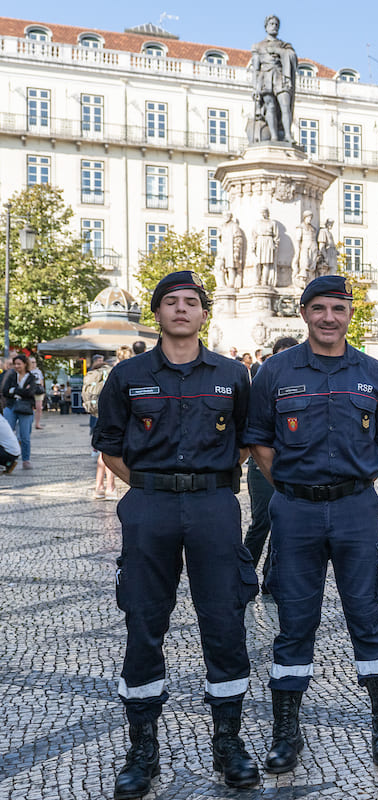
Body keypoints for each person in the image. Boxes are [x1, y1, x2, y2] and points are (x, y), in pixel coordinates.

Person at [92, 271, 257, 797]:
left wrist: (207, 483)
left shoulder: (233, 374)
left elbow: (248, 439)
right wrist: (147, 486)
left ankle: (228, 743)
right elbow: (109, 443)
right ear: (158, 312)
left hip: (213, 505)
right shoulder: (128, 374)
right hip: (149, 506)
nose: (181, 310)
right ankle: (142, 750)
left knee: (225, 621)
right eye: (171, 302)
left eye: (191, 302)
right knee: (143, 621)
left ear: (204, 314)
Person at [245, 275, 378, 773]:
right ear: (305, 312)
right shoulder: (275, 371)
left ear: (349, 314)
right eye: (319, 308)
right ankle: (286, 735)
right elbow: (260, 442)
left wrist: (358, 478)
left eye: (338, 308)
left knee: (367, 617)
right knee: (294, 622)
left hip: (356, 509)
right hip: (295, 511)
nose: (329, 317)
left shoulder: (373, 372)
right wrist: (294, 486)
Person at [243, 336, 300, 596]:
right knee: (262, 522)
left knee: (284, 525)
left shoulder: (303, 385)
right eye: (280, 355)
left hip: (292, 466)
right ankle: (243, 575)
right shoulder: (264, 384)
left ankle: (272, 579)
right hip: (261, 466)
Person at [248, 14, 298, 144]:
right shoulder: (258, 46)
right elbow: (256, 69)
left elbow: (292, 57)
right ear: (266, 27)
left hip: (281, 76)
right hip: (265, 77)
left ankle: (287, 135)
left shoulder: (284, 45)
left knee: (285, 106)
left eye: (276, 24)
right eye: (271, 24)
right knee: (270, 107)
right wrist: (255, 88)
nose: (274, 27)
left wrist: (279, 51)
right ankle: (274, 136)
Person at [83, 354, 116, 498]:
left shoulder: (92, 374)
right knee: (110, 452)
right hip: (111, 415)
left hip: (97, 413)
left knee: (103, 453)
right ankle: (110, 486)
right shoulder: (112, 373)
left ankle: (99, 487)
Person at [1, 354, 40, 469]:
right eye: (15, 364)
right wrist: (21, 391)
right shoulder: (11, 375)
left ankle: (26, 459)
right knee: (5, 433)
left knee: (25, 436)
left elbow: (31, 392)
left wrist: (15, 390)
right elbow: (5, 390)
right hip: (11, 406)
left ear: (25, 364)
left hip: (25, 408)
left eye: (19, 364)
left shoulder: (31, 377)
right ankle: (6, 459)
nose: (17, 366)